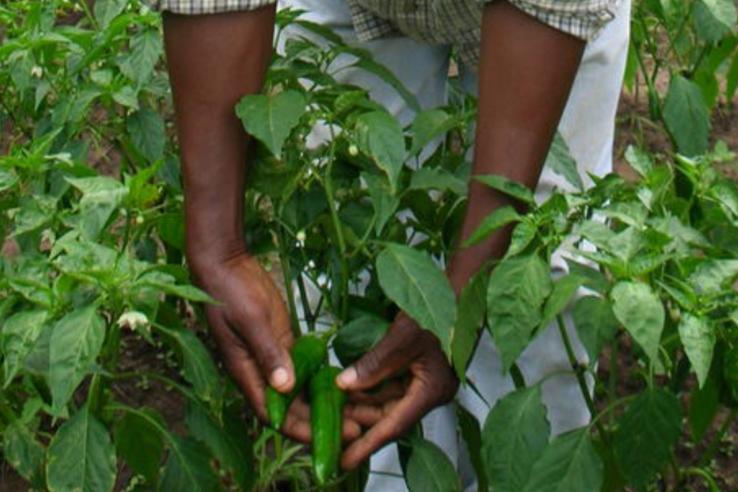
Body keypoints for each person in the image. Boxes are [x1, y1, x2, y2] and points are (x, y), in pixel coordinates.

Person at [154, 0, 630, 488]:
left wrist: (464, 295)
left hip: (549, 20)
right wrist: (217, 246)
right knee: (348, 260)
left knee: (535, 298)